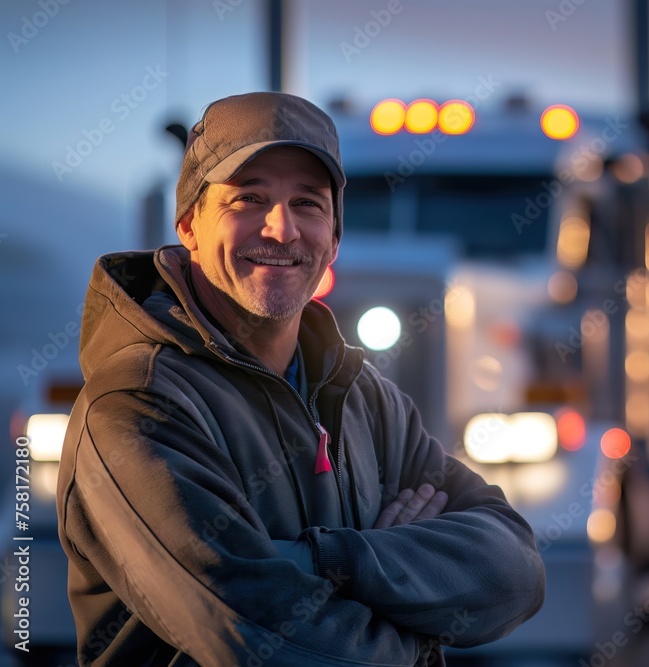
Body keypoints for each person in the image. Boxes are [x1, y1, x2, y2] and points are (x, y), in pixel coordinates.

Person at [56, 91, 545, 667]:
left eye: (308, 204)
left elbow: (515, 572)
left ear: (334, 237)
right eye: (249, 198)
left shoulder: (364, 398)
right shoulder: (138, 405)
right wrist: (417, 625)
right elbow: (263, 640)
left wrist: (327, 561)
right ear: (188, 225)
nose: (282, 230)